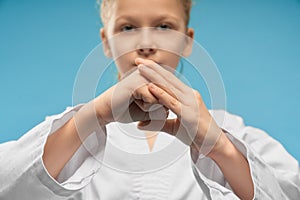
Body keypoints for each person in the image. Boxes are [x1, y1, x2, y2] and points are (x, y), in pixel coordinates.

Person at [0, 0, 299, 199]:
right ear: (106, 42)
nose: (145, 45)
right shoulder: (69, 132)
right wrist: (94, 116)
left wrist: (219, 147)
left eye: (164, 27)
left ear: (186, 40)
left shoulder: (235, 132)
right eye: (128, 28)